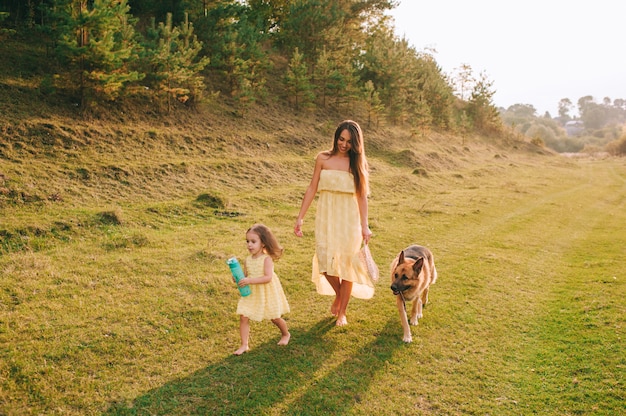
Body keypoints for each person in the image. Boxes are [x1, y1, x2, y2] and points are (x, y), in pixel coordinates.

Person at [294, 120, 374, 326]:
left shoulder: (357, 164)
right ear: (336, 137)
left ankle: (342, 313)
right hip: (326, 217)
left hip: (349, 219)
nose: (344, 144)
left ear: (356, 143)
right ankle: (339, 296)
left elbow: (362, 196)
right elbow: (312, 188)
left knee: (347, 264)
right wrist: (300, 217)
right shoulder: (323, 158)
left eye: (349, 141)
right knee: (325, 262)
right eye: (341, 139)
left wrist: (365, 226)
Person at [233, 224, 291, 355]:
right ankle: (244, 345)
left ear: (263, 243)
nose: (249, 245)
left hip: (266, 292)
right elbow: (246, 276)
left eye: (253, 242)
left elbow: (268, 278)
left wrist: (249, 280)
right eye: (247, 241)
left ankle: (286, 334)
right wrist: (238, 278)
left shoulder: (266, 259)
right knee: (243, 316)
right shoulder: (247, 260)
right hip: (252, 293)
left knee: (274, 318)